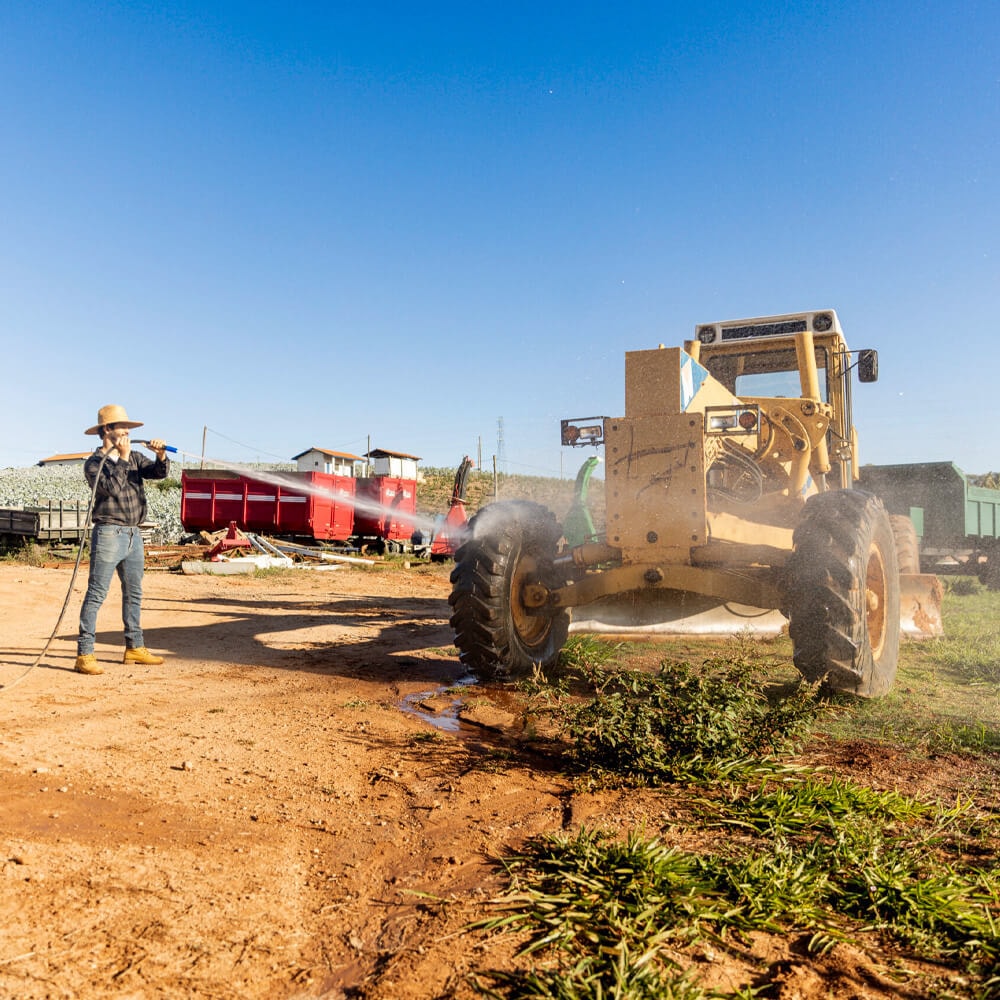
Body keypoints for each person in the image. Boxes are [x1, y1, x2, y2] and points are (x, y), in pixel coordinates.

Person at [75, 404, 170, 676]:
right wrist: (124, 458)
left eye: (129, 427)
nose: (128, 431)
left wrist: (161, 455)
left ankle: (134, 647)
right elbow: (112, 489)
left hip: (133, 533)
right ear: (107, 430)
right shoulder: (94, 464)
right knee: (96, 594)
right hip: (108, 533)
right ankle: (84, 654)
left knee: (134, 593)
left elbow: (159, 473)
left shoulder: (135, 457)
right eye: (123, 427)